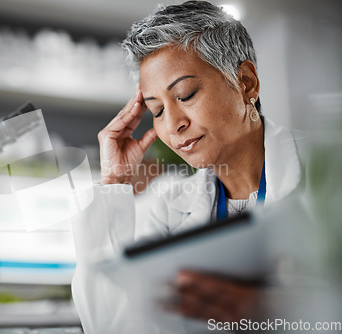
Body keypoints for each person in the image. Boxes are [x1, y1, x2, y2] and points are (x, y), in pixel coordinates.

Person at [71, 1, 304, 333]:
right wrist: (114, 182)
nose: (173, 125)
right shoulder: (167, 208)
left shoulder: (327, 169)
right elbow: (112, 324)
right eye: (157, 110)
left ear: (246, 83)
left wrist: (279, 309)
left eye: (185, 94)